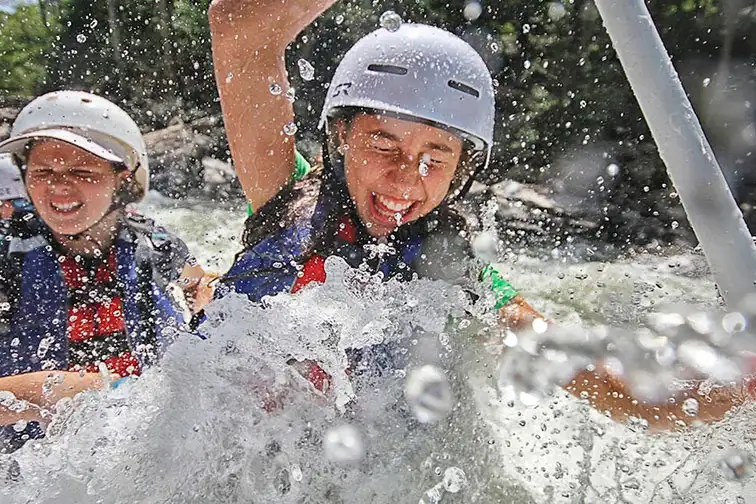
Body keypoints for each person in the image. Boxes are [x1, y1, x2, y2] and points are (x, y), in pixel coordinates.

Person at [208, 0, 752, 428]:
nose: (405, 179)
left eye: (435, 158)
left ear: (462, 170)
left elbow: (620, 392)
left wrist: (739, 383)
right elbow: (237, 26)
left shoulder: (461, 277)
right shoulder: (283, 190)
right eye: (384, 144)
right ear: (342, 136)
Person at [0, 91, 212, 453]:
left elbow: (199, 281)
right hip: (29, 469)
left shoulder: (156, 243)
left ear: (123, 180)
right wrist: (46, 389)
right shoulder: (8, 255)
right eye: (43, 172)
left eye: (82, 171)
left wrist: (210, 308)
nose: (59, 186)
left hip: (142, 450)